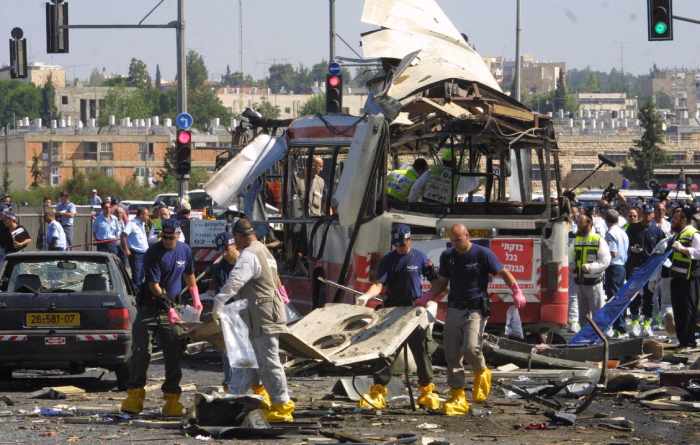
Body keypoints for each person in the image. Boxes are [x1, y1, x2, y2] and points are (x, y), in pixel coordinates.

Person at [422, 224, 525, 416]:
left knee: (470, 348)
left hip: (475, 308)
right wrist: (428, 296)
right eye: (452, 240)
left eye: (458, 239)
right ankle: (458, 395)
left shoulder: (482, 254)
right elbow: (443, 283)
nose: (456, 244)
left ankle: (482, 371)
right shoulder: (448, 256)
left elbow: (503, 272)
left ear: (467, 236)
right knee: (451, 352)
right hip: (455, 306)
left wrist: (516, 290)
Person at [213, 218, 294, 422]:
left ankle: (282, 405)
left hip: (263, 314)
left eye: (236, 239)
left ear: (240, 236)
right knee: (251, 361)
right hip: (262, 313)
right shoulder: (264, 250)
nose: (236, 244)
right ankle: (236, 398)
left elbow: (235, 282)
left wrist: (218, 303)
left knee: (268, 362)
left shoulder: (249, 254)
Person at [354, 224, 440, 411]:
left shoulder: (420, 258)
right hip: (392, 312)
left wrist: (428, 298)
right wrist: (367, 295)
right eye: (397, 245)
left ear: (410, 240)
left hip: (414, 312)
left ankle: (427, 392)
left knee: (422, 351)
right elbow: (379, 284)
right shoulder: (388, 260)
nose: (400, 248)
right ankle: (377, 392)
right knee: (386, 352)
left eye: (403, 244)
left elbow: (436, 283)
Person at [121, 220, 202, 417]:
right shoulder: (153, 253)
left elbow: (190, 275)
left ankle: (172, 399)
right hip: (149, 308)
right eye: (164, 237)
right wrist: (169, 307)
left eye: (170, 237)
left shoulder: (184, 251)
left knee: (174, 352)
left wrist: (196, 297)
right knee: (142, 352)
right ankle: (135, 395)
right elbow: (153, 286)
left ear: (177, 235)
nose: (167, 240)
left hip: (171, 308)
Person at [206, 232, 242, 392]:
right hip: (229, 312)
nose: (225, 253)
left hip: (247, 310)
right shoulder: (219, 268)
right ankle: (230, 384)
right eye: (222, 250)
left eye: (227, 249)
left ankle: (253, 384)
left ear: (235, 245)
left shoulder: (245, 262)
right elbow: (217, 290)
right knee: (227, 349)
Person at [668, 206, 700, 349]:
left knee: (688, 311)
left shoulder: (694, 233)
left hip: (689, 278)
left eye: (676, 219)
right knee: (678, 311)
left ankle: (689, 341)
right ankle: (682, 341)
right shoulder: (678, 234)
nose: (673, 221)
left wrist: (682, 249)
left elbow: (698, 252)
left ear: (684, 219)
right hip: (677, 277)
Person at [572, 213, 611, 325]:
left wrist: (590, 267)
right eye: (578, 222)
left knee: (597, 314)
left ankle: (599, 337)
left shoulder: (598, 239)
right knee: (583, 316)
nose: (578, 225)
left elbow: (605, 261)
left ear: (589, 223)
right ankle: (584, 338)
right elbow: (571, 256)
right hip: (580, 282)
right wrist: (572, 266)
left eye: (581, 222)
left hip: (594, 283)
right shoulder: (577, 239)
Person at [408, 148, 479, 204]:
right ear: (454, 161)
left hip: (428, 208)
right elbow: (473, 184)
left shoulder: (431, 172)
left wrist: (411, 203)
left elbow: (416, 187)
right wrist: (473, 169)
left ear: (443, 161)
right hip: (446, 210)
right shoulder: (456, 178)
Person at [604, 209, 629, 336]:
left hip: (614, 267)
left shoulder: (610, 233)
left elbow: (612, 252)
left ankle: (618, 327)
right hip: (622, 267)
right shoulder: (622, 232)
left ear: (606, 219)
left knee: (614, 297)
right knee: (621, 296)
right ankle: (621, 324)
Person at [122, 207, 150, 288]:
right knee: (137, 276)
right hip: (136, 254)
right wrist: (126, 249)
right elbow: (123, 235)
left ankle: (140, 294)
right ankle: (135, 296)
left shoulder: (142, 223)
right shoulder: (132, 224)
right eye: (147, 215)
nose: (148, 217)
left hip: (144, 253)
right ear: (141, 215)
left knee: (142, 275)